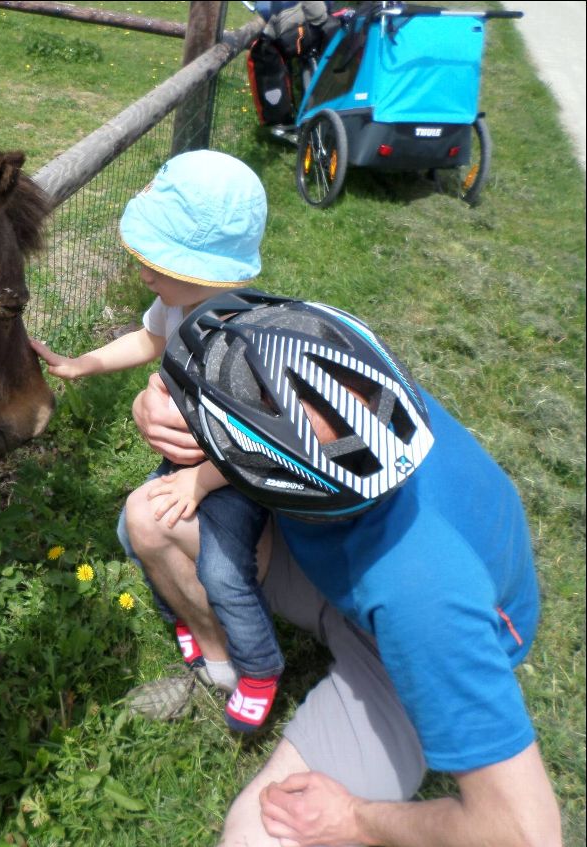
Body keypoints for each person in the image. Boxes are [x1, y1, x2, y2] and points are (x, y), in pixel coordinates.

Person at [127, 288, 562, 846]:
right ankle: (229, 666)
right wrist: (155, 404)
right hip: (343, 561)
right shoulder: (347, 390)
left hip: (398, 648)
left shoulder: (424, 594)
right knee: (149, 516)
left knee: (258, 836)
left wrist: (356, 819)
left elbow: (525, 834)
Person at [30, 150, 283, 731]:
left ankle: (259, 665)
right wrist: (84, 363)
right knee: (130, 528)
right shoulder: (178, 303)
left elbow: (263, 441)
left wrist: (200, 479)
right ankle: (189, 619)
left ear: (206, 271)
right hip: (190, 466)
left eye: (156, 262)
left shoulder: (239, 336)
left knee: (224, 570)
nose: (142, 270)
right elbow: (147, 339)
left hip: (235, 477)